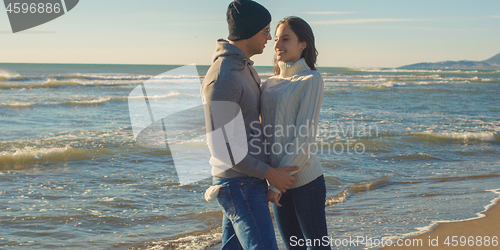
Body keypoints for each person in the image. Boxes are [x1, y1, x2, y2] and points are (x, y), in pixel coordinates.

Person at [201, 1, 299, 249]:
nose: (269, 38)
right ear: (249, 30)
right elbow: (221, 146)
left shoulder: (245, 69)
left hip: (246, 180)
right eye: (265, 30)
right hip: (238, 183)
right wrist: (270, 173)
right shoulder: (223, 76)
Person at [261, 17, 330, 249]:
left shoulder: (311, 79)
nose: (278, 44)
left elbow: (304, 137)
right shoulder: (267, 84)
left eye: (286, 39)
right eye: (276, 39)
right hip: (277, 181)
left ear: (303, 44)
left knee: (318, 247)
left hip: (305, 182)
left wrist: (276, 185)